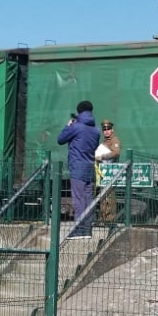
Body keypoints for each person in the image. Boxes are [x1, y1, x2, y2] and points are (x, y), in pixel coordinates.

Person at [56, 100, 100, 239]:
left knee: (79, 200)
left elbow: (60, 139)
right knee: (88, 199)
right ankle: (87, 229)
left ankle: (79, 230)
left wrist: (68, 126)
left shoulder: (76, 127)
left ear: (79, 111)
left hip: (78, 168)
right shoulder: (96, 130)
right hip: (90, 168)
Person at [95, 119, 122, 224]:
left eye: (108, 129)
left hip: (111, 172)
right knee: (102, 197)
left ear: (112, 130)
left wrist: (102, 156)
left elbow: (115, 153)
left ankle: (110, 220)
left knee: (110, 197)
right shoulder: (104, 142)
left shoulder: (115, 140)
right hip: (103, 172)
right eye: (104, 129)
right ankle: (103, 219)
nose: (106, 131)